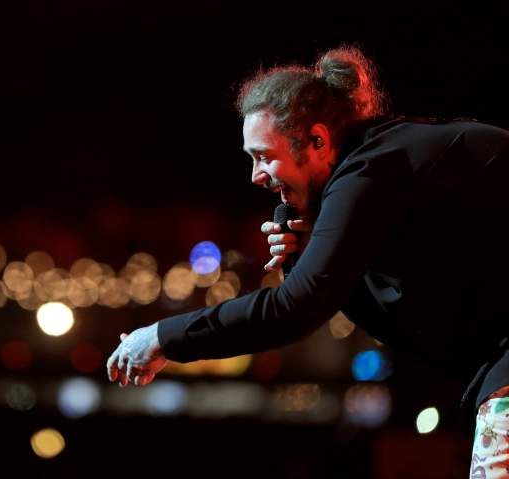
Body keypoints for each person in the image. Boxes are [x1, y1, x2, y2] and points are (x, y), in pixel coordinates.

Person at [105, 46, 509, 478]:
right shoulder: (380, 164)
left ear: (317, 140)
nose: (255, 176)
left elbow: (295, 308)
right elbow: (385, 310)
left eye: (264, 156)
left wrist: (163, 338)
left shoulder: (368, 171)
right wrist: (308, 252)